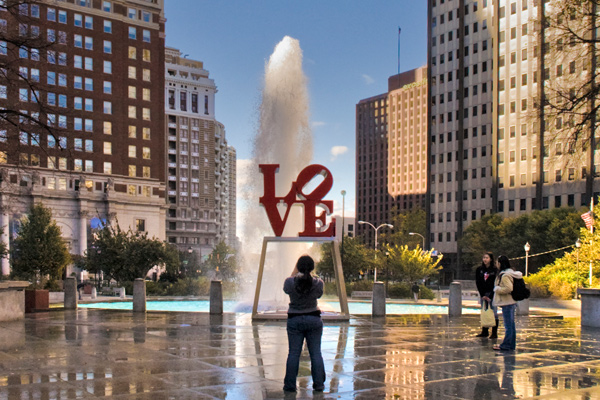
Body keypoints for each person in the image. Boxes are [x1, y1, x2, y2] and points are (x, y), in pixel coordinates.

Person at [283, 255, 326, 393]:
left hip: (294, 320)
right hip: (314, 319)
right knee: (316, 353)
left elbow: (286, 289)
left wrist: (296, 270)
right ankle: (319, 384)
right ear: (312, 267)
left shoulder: (289, 282)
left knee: (294, 353)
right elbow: (318, 295)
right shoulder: (319, 283)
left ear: (298, 267)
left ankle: (290, 386)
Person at [493, 255, 522, 351]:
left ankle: (506, 345)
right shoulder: (511, 273)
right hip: (511, 302)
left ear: (500, 263)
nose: (496, 264)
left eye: (497, 262)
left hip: (507, 302)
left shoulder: (505, 275)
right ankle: (511, 345)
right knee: (511, 325)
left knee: (508, 325)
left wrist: (497, 289)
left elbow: (509, 288)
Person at [475, 252, 499, 338]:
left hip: (492, 294)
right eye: (484, 257)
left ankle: (494, 332)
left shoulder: (495, 270)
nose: (485, 259)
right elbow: (478, 282)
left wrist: (491, 295)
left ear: (491, 259)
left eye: (487, 258)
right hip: (483, 293)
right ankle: (484, 331)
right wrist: (482, 294)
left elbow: (496, 283)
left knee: (493, 312)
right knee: (484, 311)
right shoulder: (479, 269)